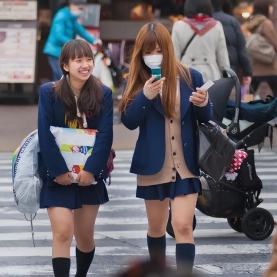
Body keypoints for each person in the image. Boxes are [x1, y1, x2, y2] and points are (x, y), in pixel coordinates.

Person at [118, 22, 213, 275]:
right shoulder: (136, 80)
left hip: (186, 164)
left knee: (182, 226)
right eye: (149, 50)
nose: (154, 55)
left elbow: (206, 118)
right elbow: (129, 121)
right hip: (153, 164)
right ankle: (157, 272)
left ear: (169, 49)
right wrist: (145, 96)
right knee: (157, 228)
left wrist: (204, 103)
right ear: (141, 52)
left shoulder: (190, 76)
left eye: (159, 49)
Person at [38, 39, 113, 277]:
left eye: (88, 59)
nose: (85, 65)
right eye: (78, 60)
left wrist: (90, 170)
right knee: (62, 232)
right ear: (65, 65)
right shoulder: (49, 92)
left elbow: (105, 136)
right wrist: (58, 171)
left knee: (84, 236)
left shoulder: (103, 93)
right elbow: (44, 133)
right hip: (57, 175)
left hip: (88, 176)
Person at [171, 0, 230, 82]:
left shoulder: (178, 26)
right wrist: (227, 79)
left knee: (189, 95)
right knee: (209, 95)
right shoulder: (216, 26)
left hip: (187, 75)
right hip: (211, 76)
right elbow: (223, 58)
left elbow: (174, 57)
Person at [43, 0, 102, 81]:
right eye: (79, 8)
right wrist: (74, 44)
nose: (80, 11)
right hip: (55, 52)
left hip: (64, 53)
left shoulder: (72, 18)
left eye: (82, 9)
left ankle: (59, 93)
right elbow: (59, 36)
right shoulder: (61, 16)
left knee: (62, 78)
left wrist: (94, 40)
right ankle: (60, 93)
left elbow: (81, 31)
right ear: (72, 5)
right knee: (63, 78)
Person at [211, 0, 252, 87]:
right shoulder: (232, 21)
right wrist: (247, 72)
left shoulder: (203, 23)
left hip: (209, 68)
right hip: (230, 68)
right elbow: (241, 49)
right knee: (227, 98)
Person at [245, 0, 277, 97]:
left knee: (251, 94)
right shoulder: (266, 23)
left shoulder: (253, 23)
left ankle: (247, 110)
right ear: (265, 9)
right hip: (269, 67)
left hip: (255, 66)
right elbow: (275, 42)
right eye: (269, 7)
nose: (271, 9)